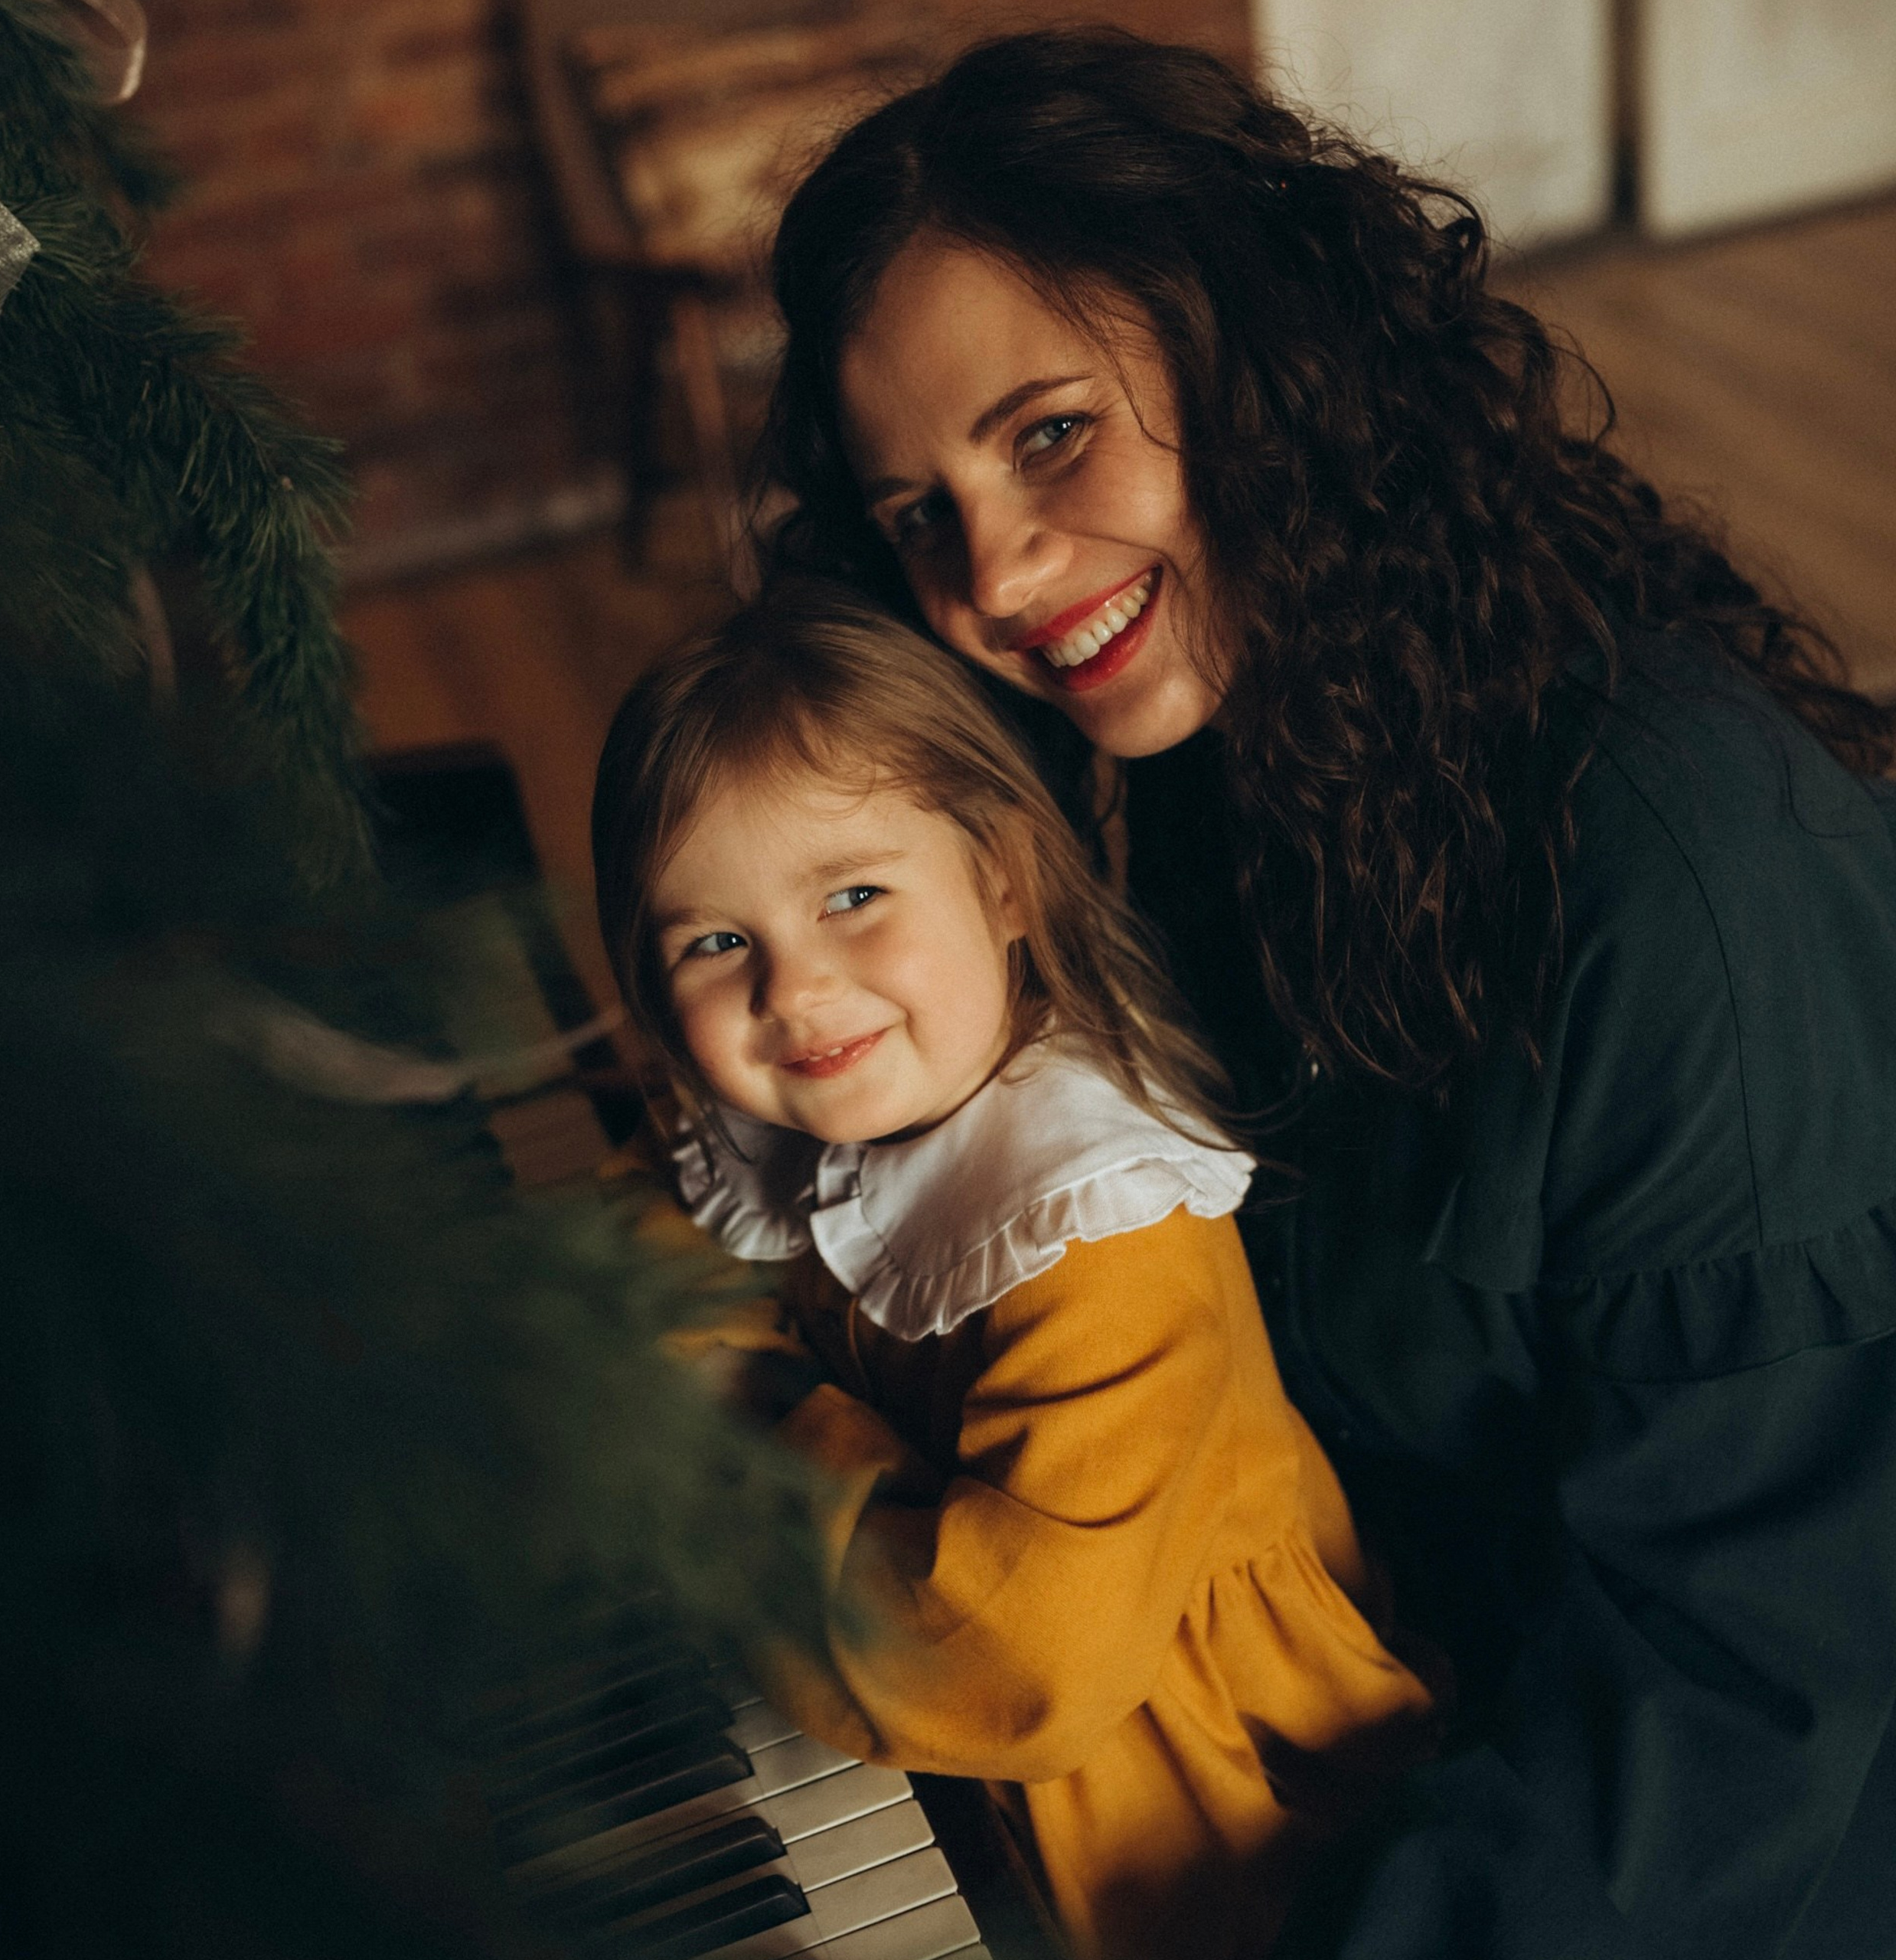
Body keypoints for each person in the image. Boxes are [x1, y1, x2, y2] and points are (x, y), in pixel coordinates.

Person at [749, 28, 1896, 1960]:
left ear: (1265, 359)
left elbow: (1736, 1701)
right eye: (916, 512)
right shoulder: (1229, 752)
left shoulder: (1684, 875)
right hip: (1374, 1738)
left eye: (1049, 435)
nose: (995, 577)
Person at [589, 586, 1440, 1960]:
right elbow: (633, 1236)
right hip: (918, 1689)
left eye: (854, 897)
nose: (792, 992)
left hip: (1182, 1813)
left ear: (1004, 880)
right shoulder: (781, 1107)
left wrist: (753, 1408)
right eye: (716, 942)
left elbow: (1021, 1664)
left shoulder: (1098, 1225)